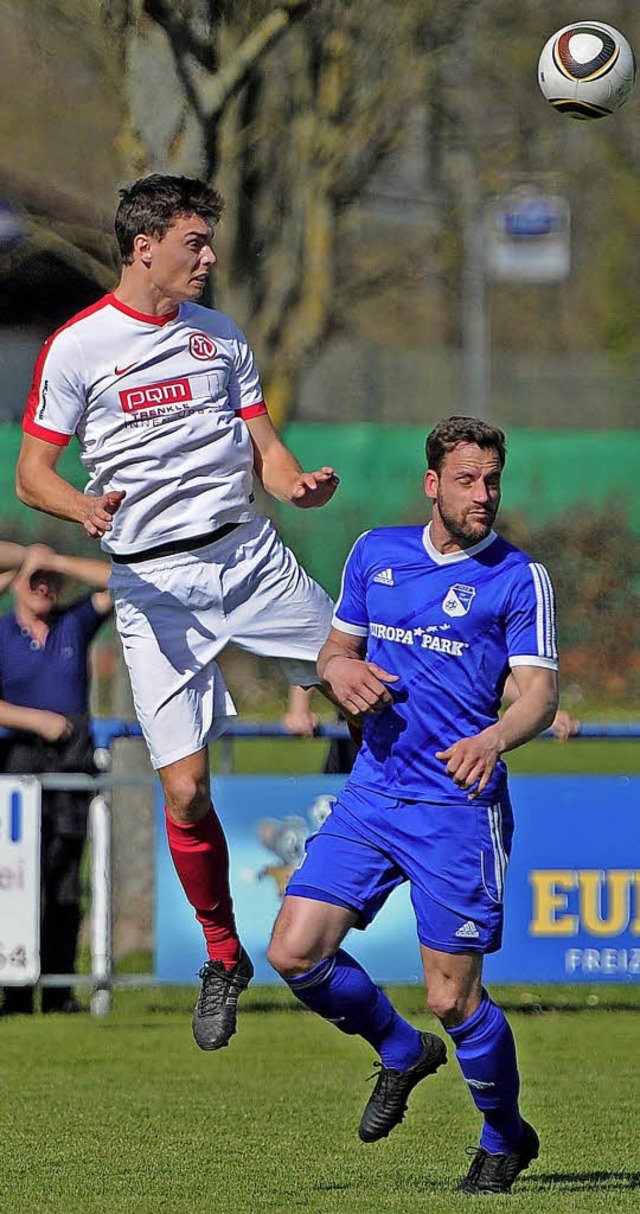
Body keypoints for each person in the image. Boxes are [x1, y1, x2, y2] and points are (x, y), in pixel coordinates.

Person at [15, 173, 338, 1050]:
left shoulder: (222, 338)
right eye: (194, 242)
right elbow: (31, 472)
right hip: (152, 588)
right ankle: (225, 953)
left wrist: (295, 484)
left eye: (208, 241)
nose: (207, 257)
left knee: (366, 679)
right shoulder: (78, 348)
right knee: (187, 791)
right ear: (143, 246)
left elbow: (266, 452)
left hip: (248, 557)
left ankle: (420, 827)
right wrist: (80, 508)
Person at [267, 416, 559, 1195]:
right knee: (294, 952)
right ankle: (399, 1050)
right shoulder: (375, 554)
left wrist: (494, 739)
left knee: (450, 996)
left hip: (456, 808)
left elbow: (539, 694)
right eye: (466, 481)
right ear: (432, 484)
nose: (483, 495)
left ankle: (505, 1138)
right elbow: (336, 650)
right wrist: (337, 673)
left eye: (492, 480)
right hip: (372, 791)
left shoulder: (517, 577)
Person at [0, 541, 112, 1015]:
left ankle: (61, 991)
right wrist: (25, 559)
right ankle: (15, 990)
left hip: (70, 764)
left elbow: (119, 583)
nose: (44, 587)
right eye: (35, 580)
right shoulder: (3, 632)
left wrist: (56, 561)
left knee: (66, 881)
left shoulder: (74, 623)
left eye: (51, 582)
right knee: (16, 879)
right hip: (17, 765)